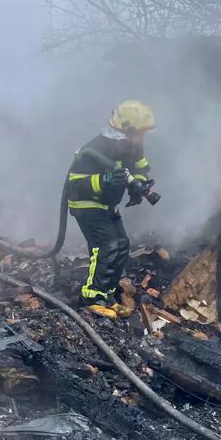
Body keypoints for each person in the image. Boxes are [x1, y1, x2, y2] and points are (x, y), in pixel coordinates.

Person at [66, 100, 156, 317]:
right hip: (86, 205)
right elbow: (75, 182)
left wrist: (140, 185)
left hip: (107, 205)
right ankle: (91, 297)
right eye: (142, 131)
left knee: (122, 245)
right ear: (130, 129)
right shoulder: (96, 148)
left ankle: (107, 295)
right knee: (106, 245)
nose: (144, 136)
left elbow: (141, 167)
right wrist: (104, 180)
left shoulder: (132, 147)